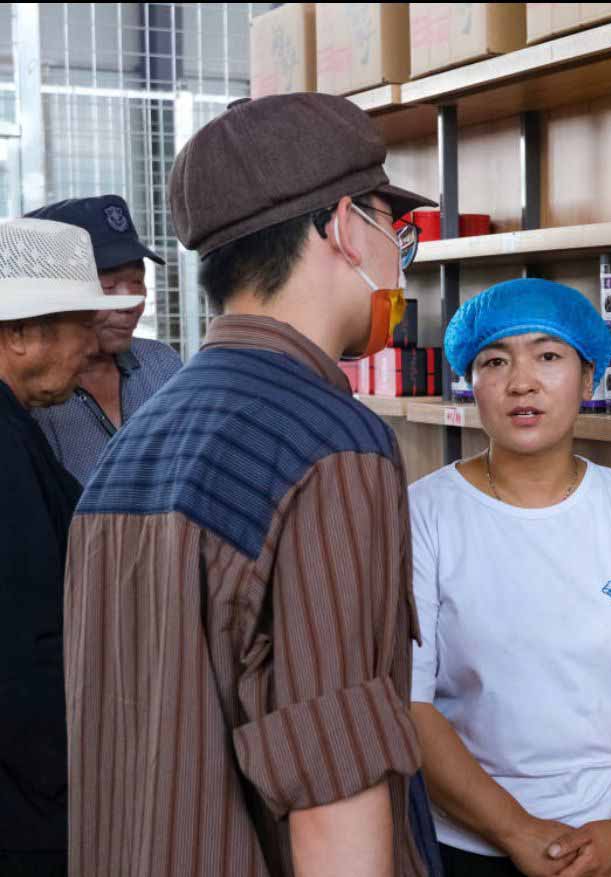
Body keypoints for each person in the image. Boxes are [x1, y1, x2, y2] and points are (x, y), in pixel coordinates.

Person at [63, 93, 440, 877]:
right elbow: (334, 800)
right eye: (391, 228)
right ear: (344, 227)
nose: (396, 257)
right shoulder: (331, 447)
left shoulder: (134, 447)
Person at [410, 277, 611, 877]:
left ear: (588, 378)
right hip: (471, 847)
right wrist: (516, 831)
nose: (521, 382)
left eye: (548, 356)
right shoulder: (424, 515)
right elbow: (409, 703)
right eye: (495, 361)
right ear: (470, 381)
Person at [0, 218, 143, 875]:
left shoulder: (19, 425)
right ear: (19, 334)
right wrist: (82, 776)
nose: (91, 344)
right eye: (80, 323)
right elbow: (24, 643)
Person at [28, 195, 181, 484]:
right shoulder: (32, 393)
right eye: (107, 286)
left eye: (137, 281)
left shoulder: (163, 366)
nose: (131, 303)